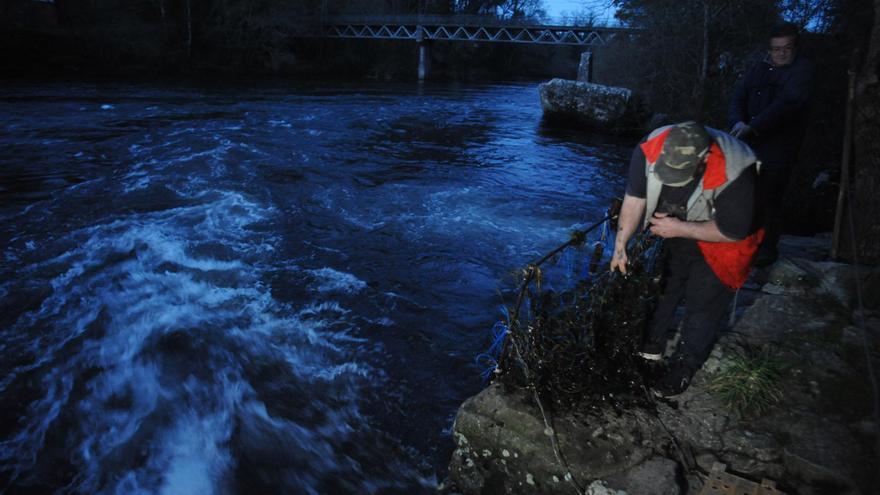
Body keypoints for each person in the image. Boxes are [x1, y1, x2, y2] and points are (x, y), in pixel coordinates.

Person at [610, 121, 762, 396]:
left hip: (722, 237)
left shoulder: (736, 169)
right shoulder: (649, 147)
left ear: (703, 159)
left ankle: (684, 365)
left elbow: (734, 231)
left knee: (703, 304)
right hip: (674, 225)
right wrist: (620, 244)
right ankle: (650, 349)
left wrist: (679, 228)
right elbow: (634, 198)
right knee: (662, 288)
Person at [729, 22, 813, 267]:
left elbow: (786, 106)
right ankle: (744, 241)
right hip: (748, 146)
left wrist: (753, 127)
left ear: (794, 48)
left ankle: (766, 249)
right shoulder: (759, 68)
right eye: (776, 48)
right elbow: (739, 95)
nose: (781, 53)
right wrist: (737, 121)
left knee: (770, 197)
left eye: (786, 48)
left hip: (780, 147)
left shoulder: (803, 71)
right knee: (745, 194)